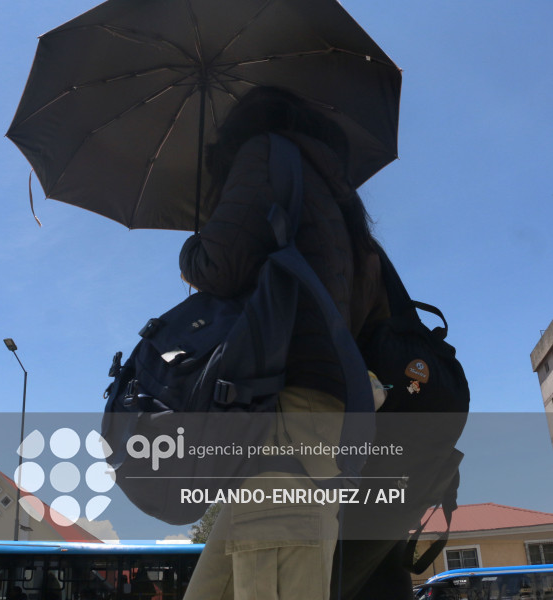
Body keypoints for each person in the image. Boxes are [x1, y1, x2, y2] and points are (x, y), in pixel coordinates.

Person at [179, 87, 389, 600]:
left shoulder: (265, 154)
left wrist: (193, 244)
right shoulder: (344, 206)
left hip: (283, 419)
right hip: (316, 422)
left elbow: (219, 264)